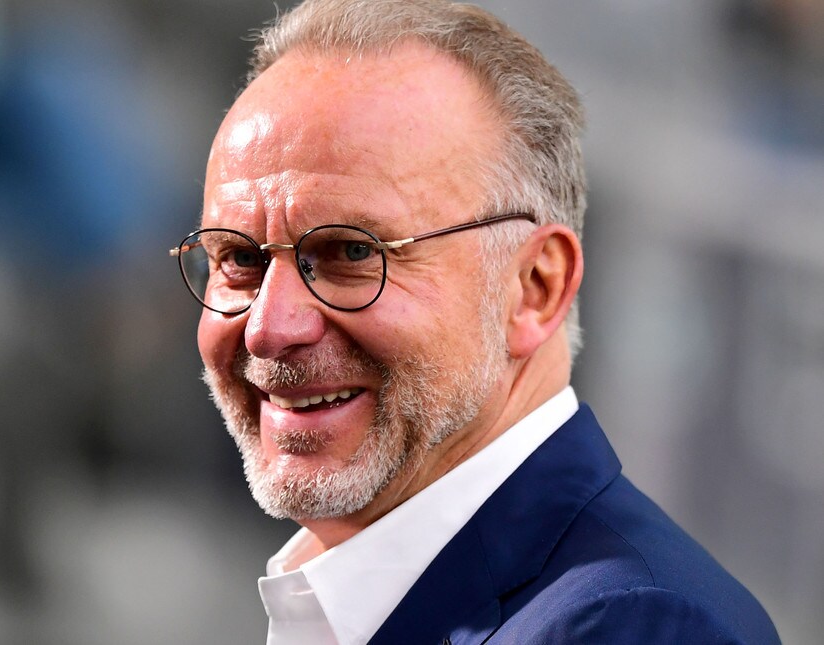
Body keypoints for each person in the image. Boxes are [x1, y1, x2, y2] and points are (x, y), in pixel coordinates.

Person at [169, 0, 780, 642]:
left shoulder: (631, 625)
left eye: (351, 253)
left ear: (534, 288)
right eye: (238, 259)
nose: (269, 328)